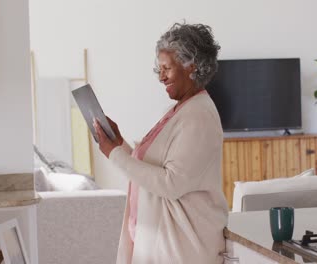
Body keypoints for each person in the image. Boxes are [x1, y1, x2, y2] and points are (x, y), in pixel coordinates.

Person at [94, 22, 228, 264]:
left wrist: (114, 154)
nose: (161, 76)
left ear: (192, 67)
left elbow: (171, 183)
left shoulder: (199, 117)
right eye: (159, 69)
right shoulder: (179, 111)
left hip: (183, 249)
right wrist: (118, 143)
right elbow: (149, 167)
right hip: (161, 243)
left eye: (167, 68)